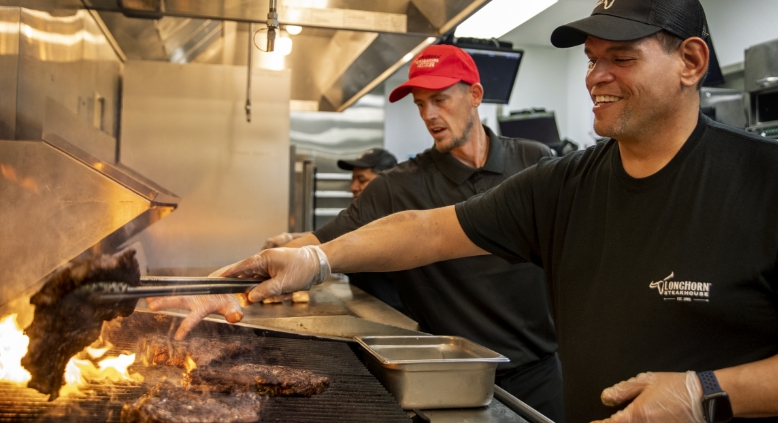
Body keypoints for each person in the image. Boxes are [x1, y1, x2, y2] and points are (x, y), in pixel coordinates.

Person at [205, 0, 778, 422]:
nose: (595, 77)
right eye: (591, 59)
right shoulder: (566, 183)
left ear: (691, 61)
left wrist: (703, 391)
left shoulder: (764, 181)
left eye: (621, 58)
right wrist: (316, 258)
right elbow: (427, 229)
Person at [150, 45, 566, 420]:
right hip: (452, 373)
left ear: (475, 95)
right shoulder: (399, 186)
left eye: (439, 100)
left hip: (541, 370)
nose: (429, 115)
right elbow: (316, 248)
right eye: (421, 104)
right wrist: (216, 284)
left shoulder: (534, 160)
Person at [263, 148, 406, 313]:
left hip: (395, 314)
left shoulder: (396, 218)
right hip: (367, 307)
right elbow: (338, 235)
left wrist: (295, 253)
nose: (353, 187)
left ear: (385, 183)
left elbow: (349, 242)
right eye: (353, 180)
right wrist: (290, 238)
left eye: (361, 180)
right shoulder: (363, 214)